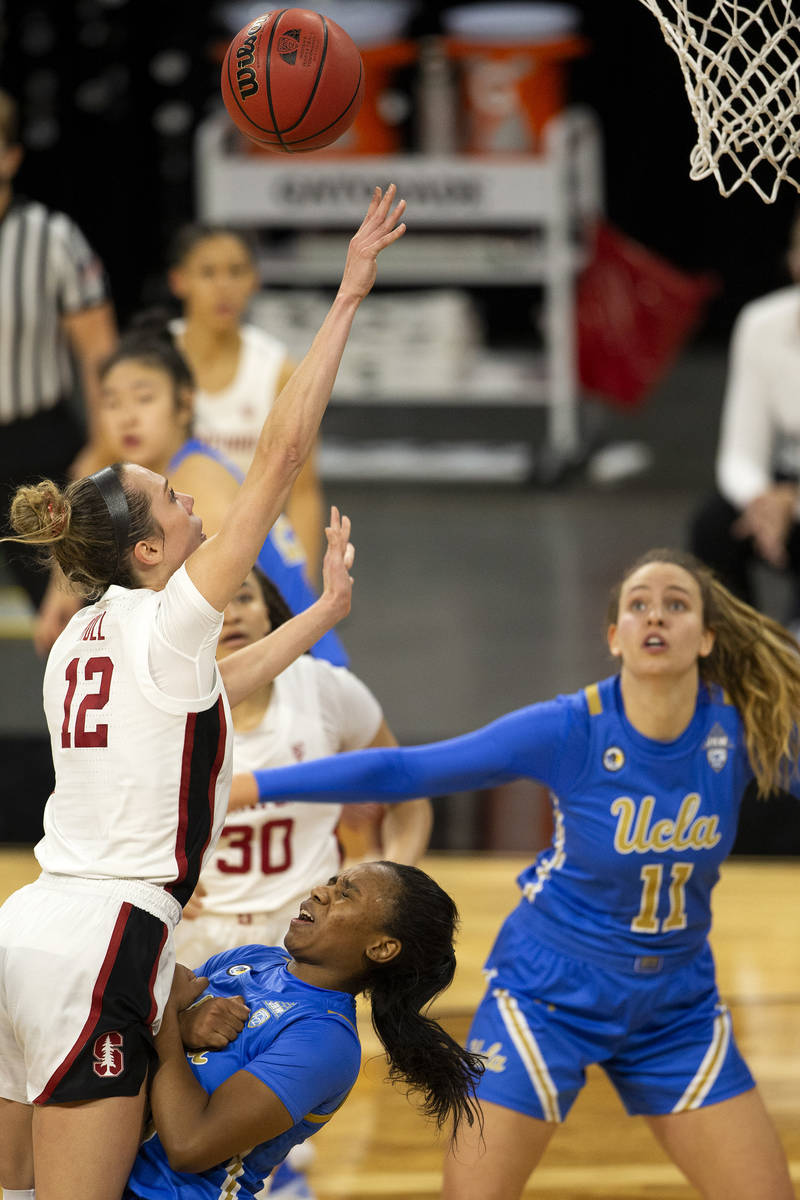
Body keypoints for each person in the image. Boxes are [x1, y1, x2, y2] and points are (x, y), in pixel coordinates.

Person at [0, 184, 406, 1200]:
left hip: (26, 924)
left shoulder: (76, 640)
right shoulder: (168, 614)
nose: (190, 499)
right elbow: (279, 454)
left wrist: (315, 620)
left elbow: (212, 688)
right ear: (148, 551)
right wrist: (349, 292)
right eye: (173, 500)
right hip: (109, 940)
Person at [236, 548, 800, 1200]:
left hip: (674, 1004)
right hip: (548, 995)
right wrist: (249, 785)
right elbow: (404, 772)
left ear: (705, 637)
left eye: (677, 604)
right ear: (614, 638)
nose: (656, 616)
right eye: (638, 604)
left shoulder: (742, 726)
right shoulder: (571, 728)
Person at [123, 861, 483, 1200]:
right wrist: (179, 1025)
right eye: (330, 883)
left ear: (381, 948)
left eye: (345, 894)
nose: (320, 892)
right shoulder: (249, 959)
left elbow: (190, 1145)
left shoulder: (326, 1040)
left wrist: (166, 1014)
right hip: (103, 1173)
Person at [32, 320, 349, 667]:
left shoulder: (195, 492)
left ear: (184, 405)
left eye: (144, 399)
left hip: (295, 671)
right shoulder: (160, 474)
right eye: (112, 403)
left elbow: (233, 626)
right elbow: (90, 469)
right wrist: (60, 587)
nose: (127, 418)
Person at [175, 564, 433, 968]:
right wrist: (149, 877)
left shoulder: (325, 687)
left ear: (269, 611)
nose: (234, 614)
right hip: (190, 928)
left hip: (306, 927)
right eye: (217, 604)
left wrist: (388, 885)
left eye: (244, 597)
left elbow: (408, 797)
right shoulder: (160, 704)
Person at [0, 87, 117, 607]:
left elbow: (100, 352)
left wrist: (100, 448)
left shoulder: (51, 237)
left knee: (73, 613)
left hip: (35, 447)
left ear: (11, 156)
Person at [167, 223, 325, 576]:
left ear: (255, 280)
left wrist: (303, 586)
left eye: (236, 272)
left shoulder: (278, 371)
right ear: (179, 281)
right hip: (163, 556)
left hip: (253, 561)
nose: (224, 287)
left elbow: (303, 492)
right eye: (208, 273)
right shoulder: (152, 361)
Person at [690, 209, 800, 625]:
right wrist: (764, 501)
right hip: (782, 501)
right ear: (793, 261)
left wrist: (793, 500)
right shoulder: (761, 325)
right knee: (715, 525)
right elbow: (740, 455)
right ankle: (743, 654)